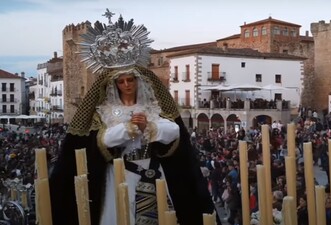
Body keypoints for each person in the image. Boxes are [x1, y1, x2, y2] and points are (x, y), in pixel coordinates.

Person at [49, 10, 217, 225]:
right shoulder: (105, 111)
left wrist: (150, 127)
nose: (127, 85)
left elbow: (174, 131)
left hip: (154, 173)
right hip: (119, 176)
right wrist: (126, 129)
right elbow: (100, 141)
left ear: (138, 81)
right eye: (121, 81)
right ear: (113, 84)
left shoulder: (151, 106)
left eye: (131, 80)